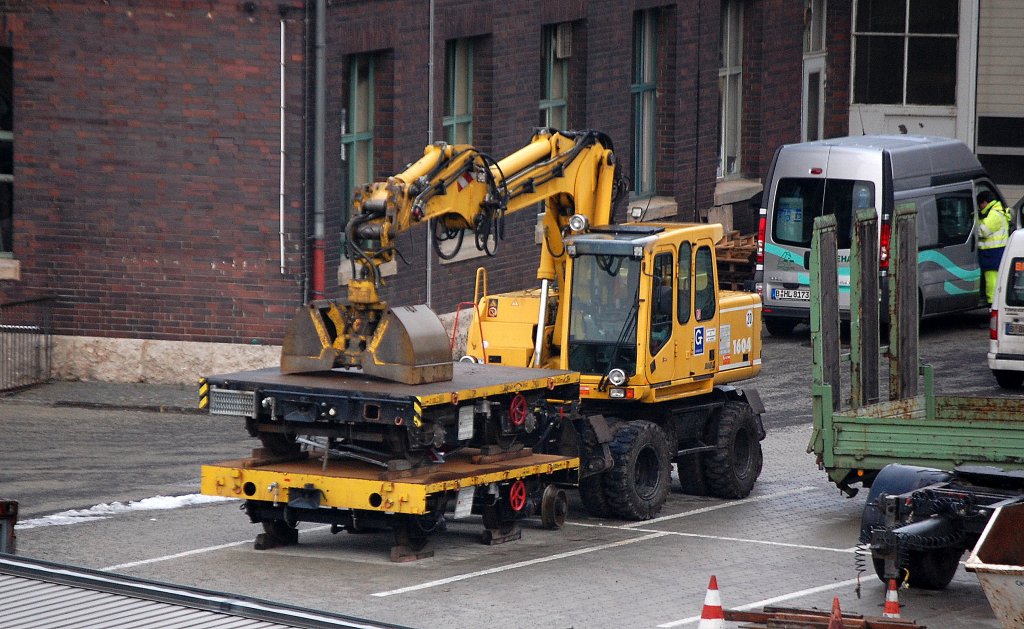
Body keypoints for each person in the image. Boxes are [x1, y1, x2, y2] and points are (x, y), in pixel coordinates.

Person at [977, 190, 1010, 305]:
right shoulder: (996, 212)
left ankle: (993, 304)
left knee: (992, 280)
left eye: (980, 205)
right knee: (993, 279)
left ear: (985, 203)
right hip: (994, 253)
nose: (979, 208)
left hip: (993, 254)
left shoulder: (994, 214)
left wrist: (975, 219)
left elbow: (981, 231)